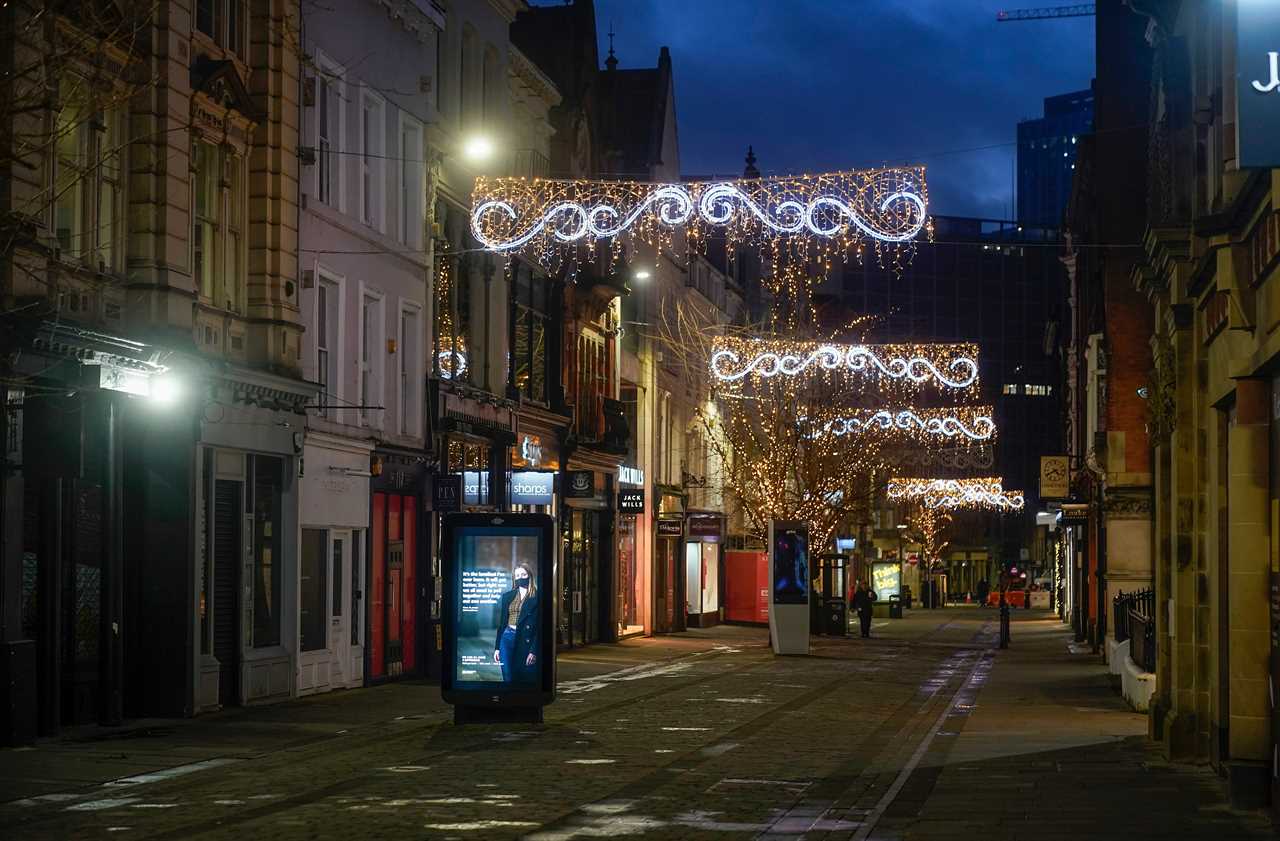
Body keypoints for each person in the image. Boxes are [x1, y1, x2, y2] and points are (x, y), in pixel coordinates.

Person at [493, 563, 540, 684]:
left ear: (530, 576)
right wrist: (497, 648)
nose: (520, 577)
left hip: (524, 639)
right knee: (507, 674)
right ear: (514, 578)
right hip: (507, 637)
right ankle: (508, 700)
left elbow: (540, 628)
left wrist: (534, 651)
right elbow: (502, 623)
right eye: (517, 575)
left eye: (523, 574)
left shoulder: (538, 597)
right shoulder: (508, 596)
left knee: (522, 675)